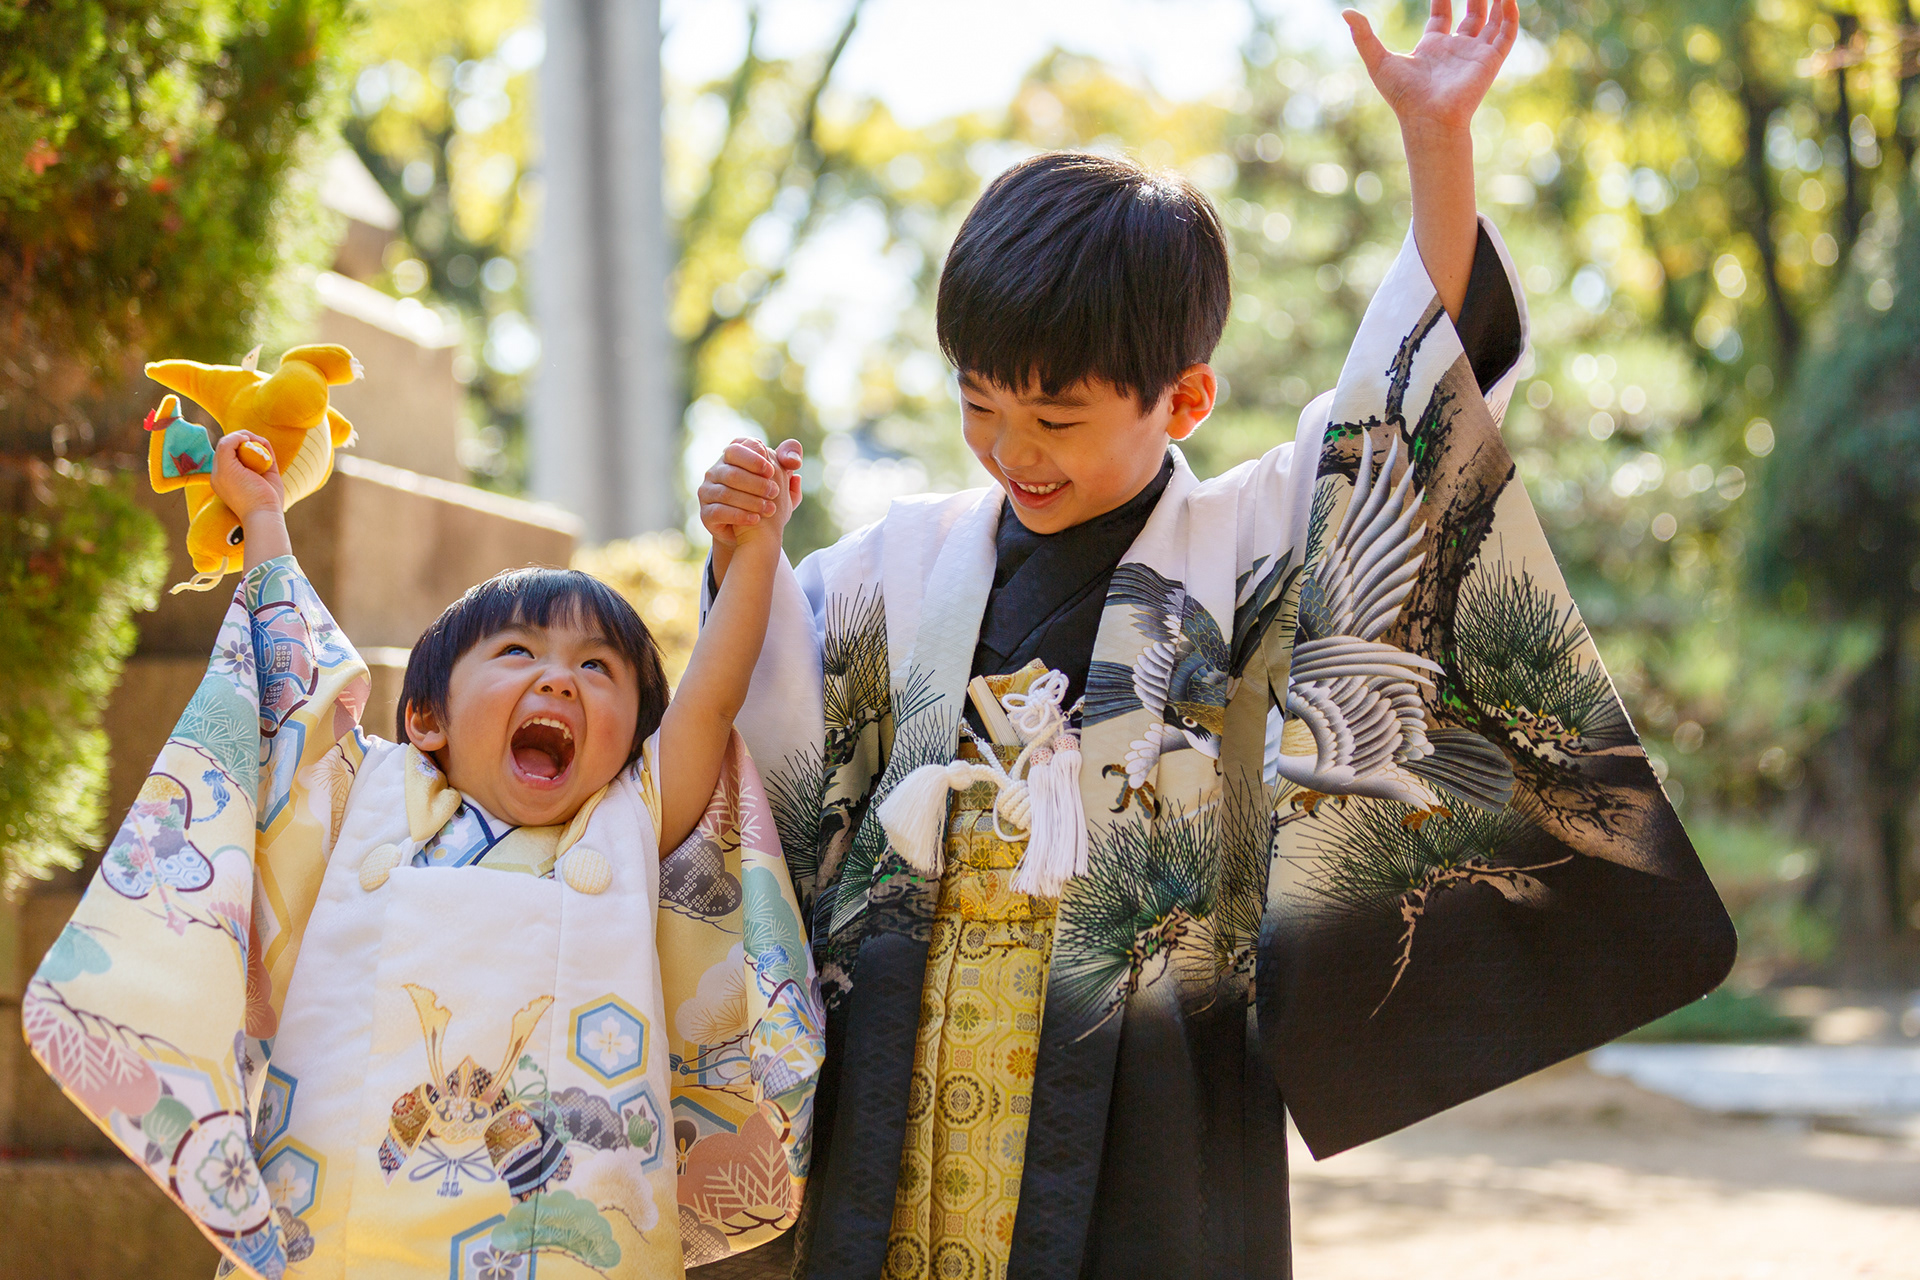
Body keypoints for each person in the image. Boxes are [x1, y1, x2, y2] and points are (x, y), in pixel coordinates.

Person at [696, 3, 1735, 1277]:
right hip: (907, 1050)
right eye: (978, 402)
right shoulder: (893, 562)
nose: (1012, 450)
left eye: (1056, 417)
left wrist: (1436, 144)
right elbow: (776, 733)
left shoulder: (1251, 539)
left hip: (1156, 1059)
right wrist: (744, 562)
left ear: (1182, 396)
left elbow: (1409, 405)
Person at [25, 431, 825, 1277]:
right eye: (519, 651)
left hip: (561, 1242)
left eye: (598, 668)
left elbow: (708, 701)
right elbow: (293, 686)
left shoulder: (625, 824)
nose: (559, 679)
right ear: (425, 719)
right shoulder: (367, 800)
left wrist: (753, 550)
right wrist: (263, 515)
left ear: (632, 745)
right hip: (337, 1232)